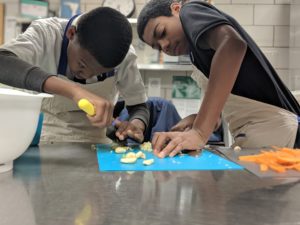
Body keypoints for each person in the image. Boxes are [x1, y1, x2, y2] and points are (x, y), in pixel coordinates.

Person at [137, 0, 300, 158]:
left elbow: (233, 44)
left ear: (176, 8)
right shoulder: (197, 55)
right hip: (267, 137)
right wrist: (199, 119)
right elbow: (228, 102)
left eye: (161, 32)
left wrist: (199, 132)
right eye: (157, 47)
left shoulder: (190, 10)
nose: (164, 45)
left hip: (284, 135)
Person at [0, 7, 149, 144]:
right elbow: (3, 62)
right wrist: (75, 91)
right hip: (43, 142)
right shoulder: (46, 34)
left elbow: (139, 106)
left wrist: (136, 124)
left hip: (97, 146)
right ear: (71, 33)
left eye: (100, 72)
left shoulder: (124, 56)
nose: (88, 74)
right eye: (83, 64)